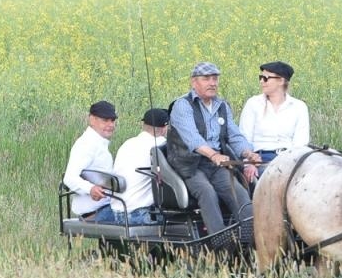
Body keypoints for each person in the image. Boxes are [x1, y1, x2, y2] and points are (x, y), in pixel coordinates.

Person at [166, 62, 260, 237]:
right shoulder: (182, 106)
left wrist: (248, 153)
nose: (212, 83)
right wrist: (213, 154)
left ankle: (251, 238)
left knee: (238, 191)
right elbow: (192, 138)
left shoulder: (222, 106)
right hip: (189, 164)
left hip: (216, 165)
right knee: (206, 192)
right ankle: (219, 240)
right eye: (206, 78)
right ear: (194, 82)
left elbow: (234, 135)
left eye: (215, 78)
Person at [94, 107, 169, 225]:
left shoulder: (127, 143)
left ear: (143, 124)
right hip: (138, 214)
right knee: (180, 220)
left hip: (117, 211)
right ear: (165, 128)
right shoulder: (160, 144)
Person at [238, 61, 311, 179]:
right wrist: (248, 163)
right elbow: (244, 137)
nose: (261, 81)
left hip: (289, 159)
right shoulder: (253, 104)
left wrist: (290, 164)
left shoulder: (299, 107)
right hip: (260, 160)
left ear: (281, 81)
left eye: (266, 78)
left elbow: (300, 143)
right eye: (260, 77)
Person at [61, 100, 118, 219]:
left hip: (104, 207)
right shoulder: (87, 144)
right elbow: (69, 178)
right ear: (92, 120)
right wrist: (90, 189)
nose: (111, 125)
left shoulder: (98, 143)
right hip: (96, 212)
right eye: (105, 120)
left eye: (112, 120)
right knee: (143, 216)